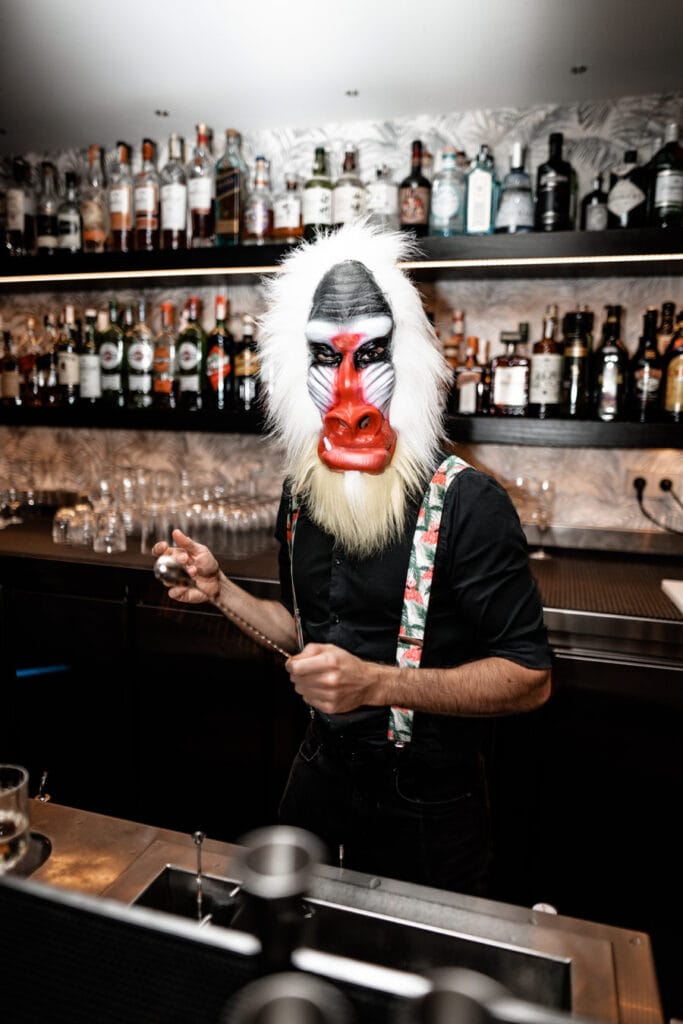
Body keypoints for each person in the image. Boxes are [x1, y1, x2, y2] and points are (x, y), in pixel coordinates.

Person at [153, 221, 552, 898]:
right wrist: (220, 591)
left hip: (428, 801)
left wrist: (377, 685)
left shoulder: (469, 503)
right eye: (323, 359)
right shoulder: (302, 490)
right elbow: (304, 635)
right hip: (315, 778)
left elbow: (529, 677)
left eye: (370, 354)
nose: (349, 397)